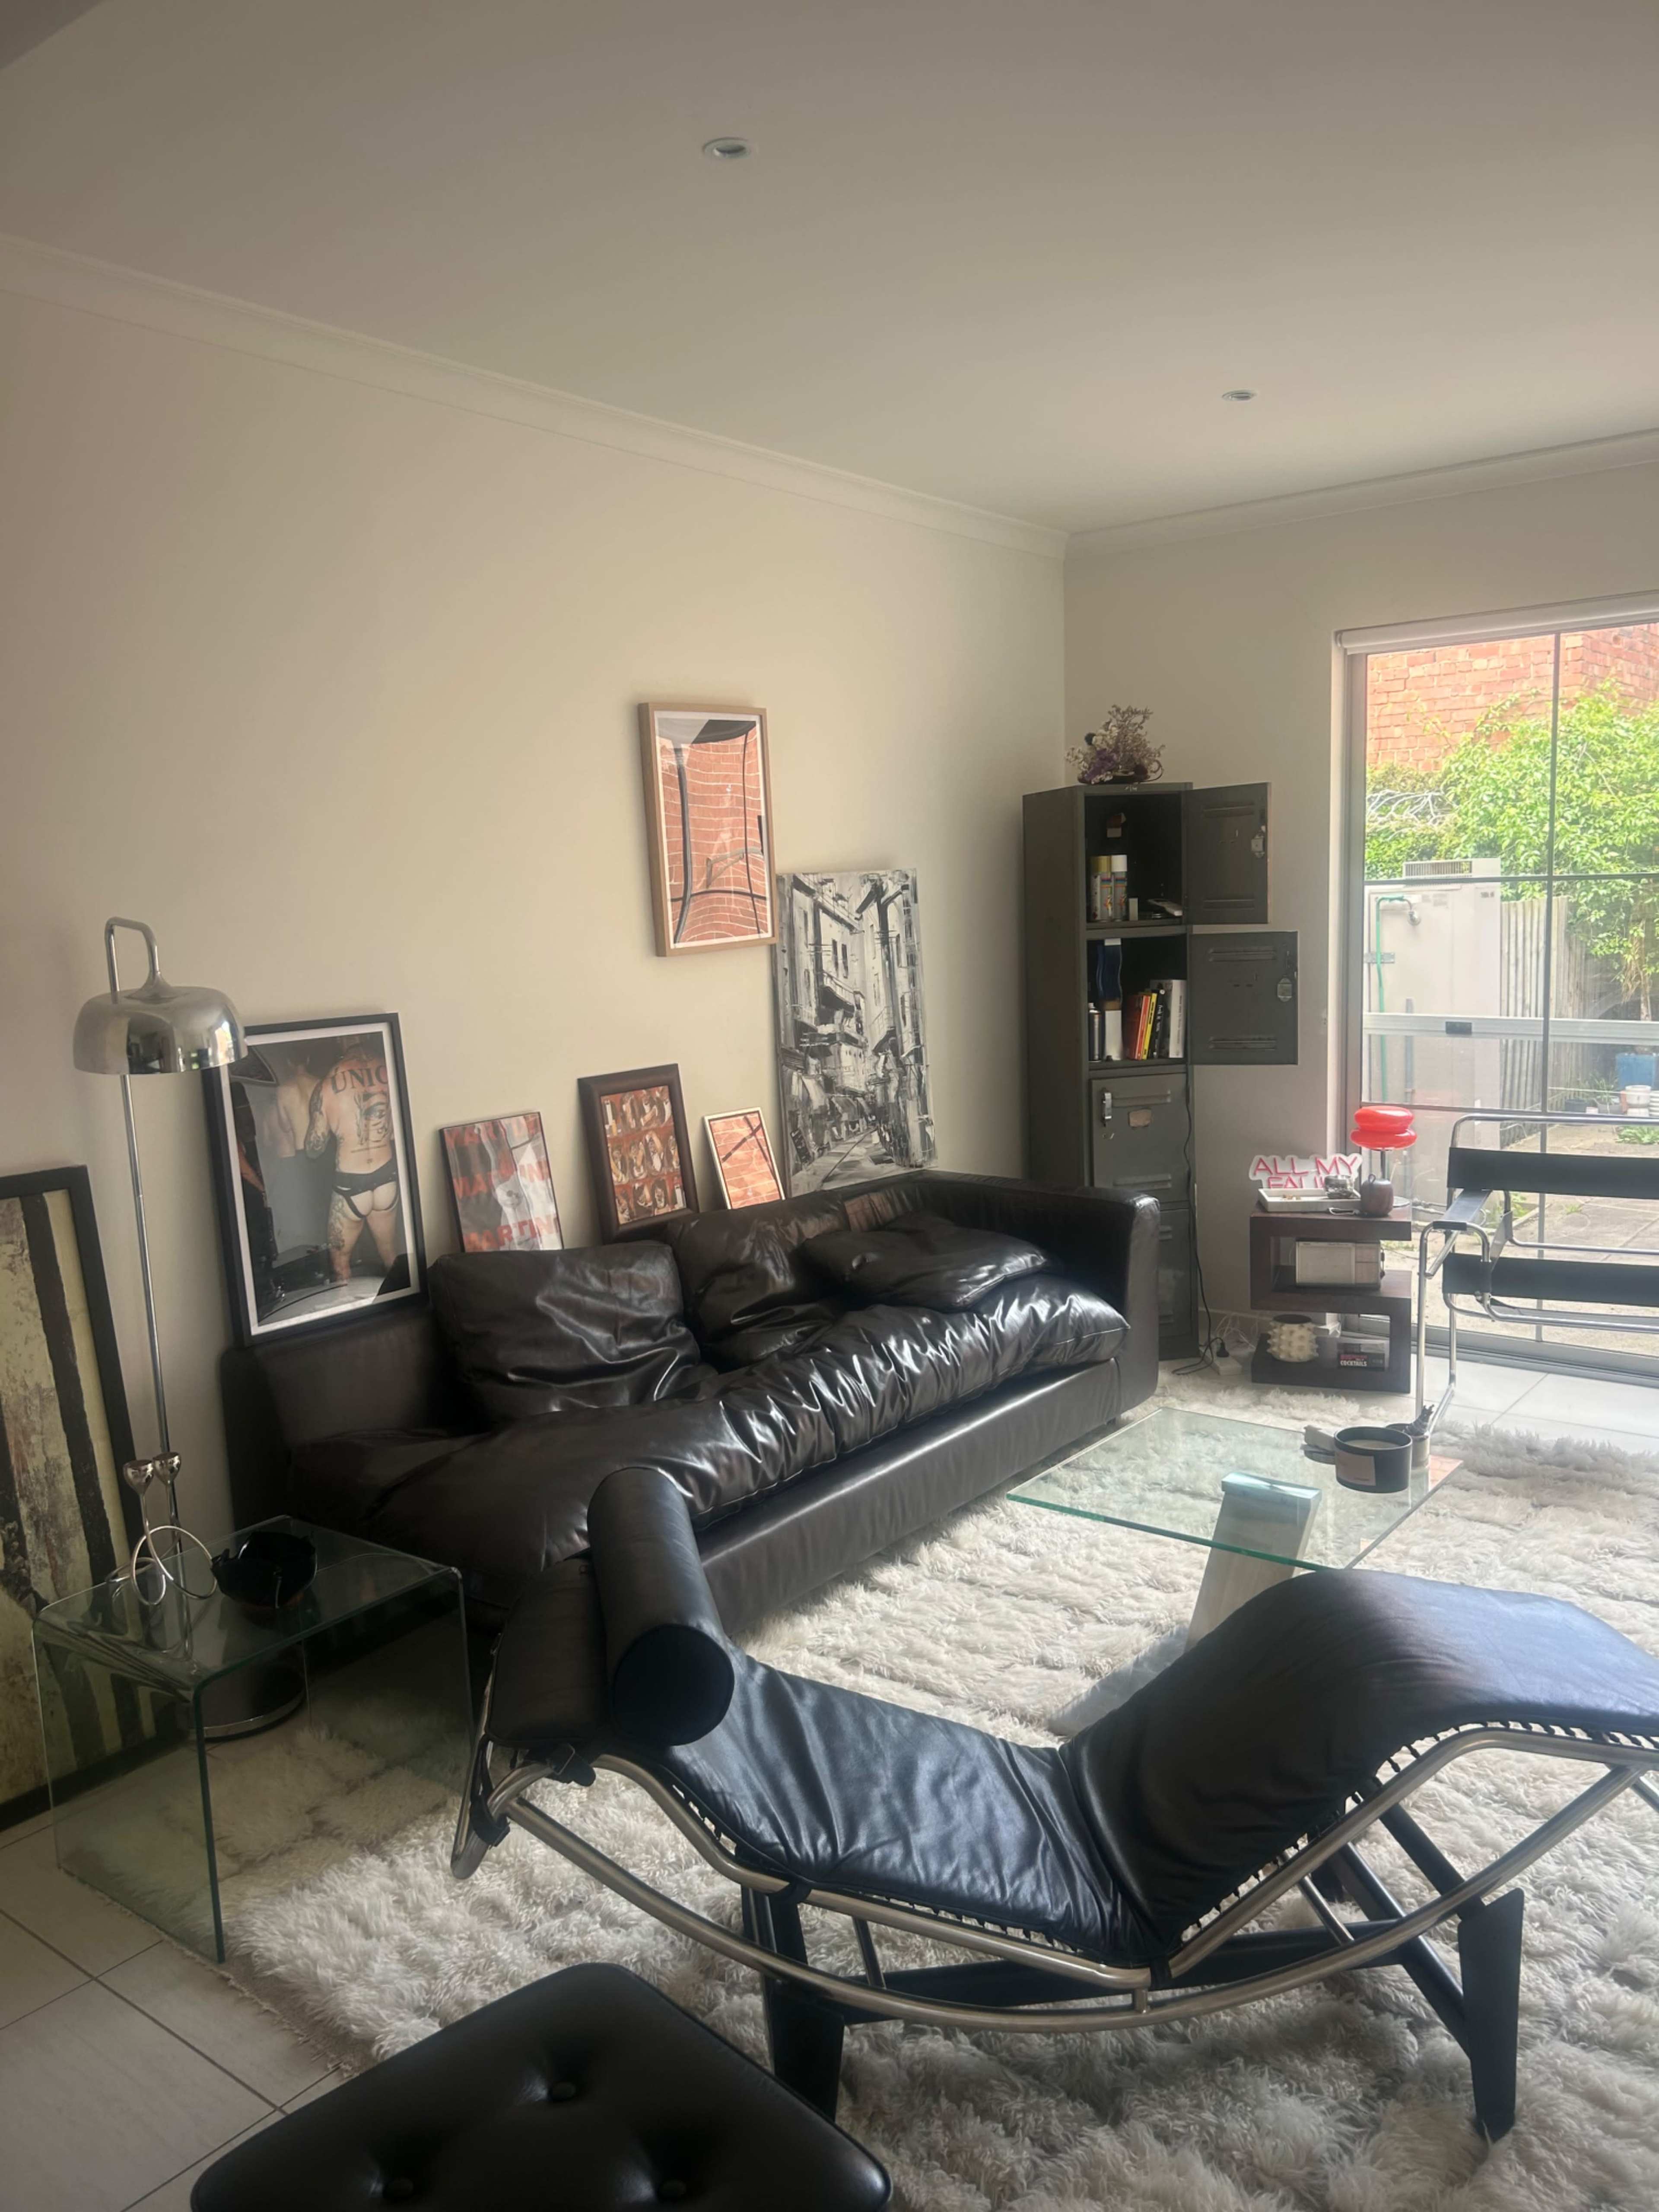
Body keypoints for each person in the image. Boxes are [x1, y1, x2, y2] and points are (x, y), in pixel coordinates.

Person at [305, 1035, 401, 1285]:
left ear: (341, 1042)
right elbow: (398, 1130)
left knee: (340, 1264)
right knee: (391, 1255)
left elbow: (314, 1149)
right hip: (386, 1176)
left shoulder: (327, 1085)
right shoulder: (392, 1071)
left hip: (351, 1184)